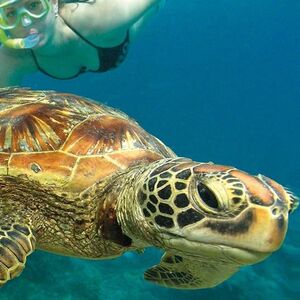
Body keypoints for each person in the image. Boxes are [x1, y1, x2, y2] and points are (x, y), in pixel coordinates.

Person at [0, 0, 165, 87]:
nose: (26, 22)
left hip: (129, 21)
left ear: (54, 3)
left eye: (34, 5)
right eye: (11, 13)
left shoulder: (100, 20)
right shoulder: (11, 60)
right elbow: (6, 118)